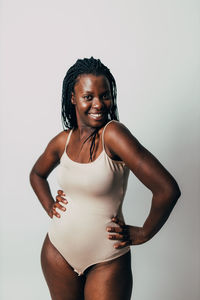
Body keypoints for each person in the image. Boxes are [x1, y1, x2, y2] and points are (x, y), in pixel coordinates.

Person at [29, 57, 181, 300]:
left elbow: (167, 189)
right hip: (57, 253)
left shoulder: (114, 135)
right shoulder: (63, 140)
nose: (98, 104)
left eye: (105, 95)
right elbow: (36, 174)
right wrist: (50, 205)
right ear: (73, 98)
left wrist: (145, 232)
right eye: (88, 96)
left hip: (106, 260)